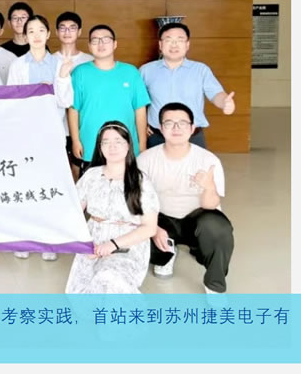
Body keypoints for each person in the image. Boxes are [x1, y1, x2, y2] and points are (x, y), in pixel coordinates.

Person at [137, 102, 234, 294]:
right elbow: (137, 202)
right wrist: (153, 229)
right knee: (131, 228)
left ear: (192, 128)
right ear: (160, 128)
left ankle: (214, 284)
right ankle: (166, 254)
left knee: (218, 228)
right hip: (161, 218)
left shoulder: (208, 160)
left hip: (196, 219)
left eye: (182, 123)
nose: (176, 128)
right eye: (169, 123)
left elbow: (210, 205)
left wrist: (209, 186)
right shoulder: (145, 160)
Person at [6, 15, 76, 261]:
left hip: (52, 135)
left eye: (40, 31)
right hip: (25, 135)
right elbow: (11, 101)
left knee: (50, 188)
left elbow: (66, 101)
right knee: (24, 187)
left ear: (48, 34)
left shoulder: (59, 64)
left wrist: (62, 78)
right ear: (25, 36)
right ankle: (24, 238)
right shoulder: (17, 65)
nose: (36, 35)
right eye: (31, 31)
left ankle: (49, 241)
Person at [65, 121, 159, 294]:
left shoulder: (140, 180)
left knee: (108, 277)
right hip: (93, 243)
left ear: (128, 145)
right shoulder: (91, 175)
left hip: (128, 245)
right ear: (100, 147)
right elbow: (73, 214)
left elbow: (149, 228)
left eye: (118, 141)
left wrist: (113, 244)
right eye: (106, 142)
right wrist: (84, 244)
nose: (112, 147)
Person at [139, 22, 236, 149]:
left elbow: (216, 93)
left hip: (192, 136)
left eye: (180, 40)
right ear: (160, 45)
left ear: (187, 44)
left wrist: (225, 102)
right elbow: (136, 102)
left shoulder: (201, 70)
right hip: (157, 136)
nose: (174, 45)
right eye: (168, 40)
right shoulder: (146, 70)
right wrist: (141, 125)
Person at [68, 24, 150, 172]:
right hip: (90, 145)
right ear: (89, 46)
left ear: (115, 44)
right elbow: (74, 110)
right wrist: (75, 141)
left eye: (106, 39)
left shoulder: (131, 72)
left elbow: (140, 110)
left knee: (127, 185)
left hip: (125, 146)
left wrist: (142, 145)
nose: (101, 44)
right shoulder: (80, 72)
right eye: (95, 40)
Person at [54, 11, 94, 179]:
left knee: (82, 173)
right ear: (56, 32)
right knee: (60, 173)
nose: (67, 32)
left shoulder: (90, 60)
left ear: (79, 32)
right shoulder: (50, 60)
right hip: (58, 127)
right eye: (63, 28)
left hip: (83, 126)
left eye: (72, 28)